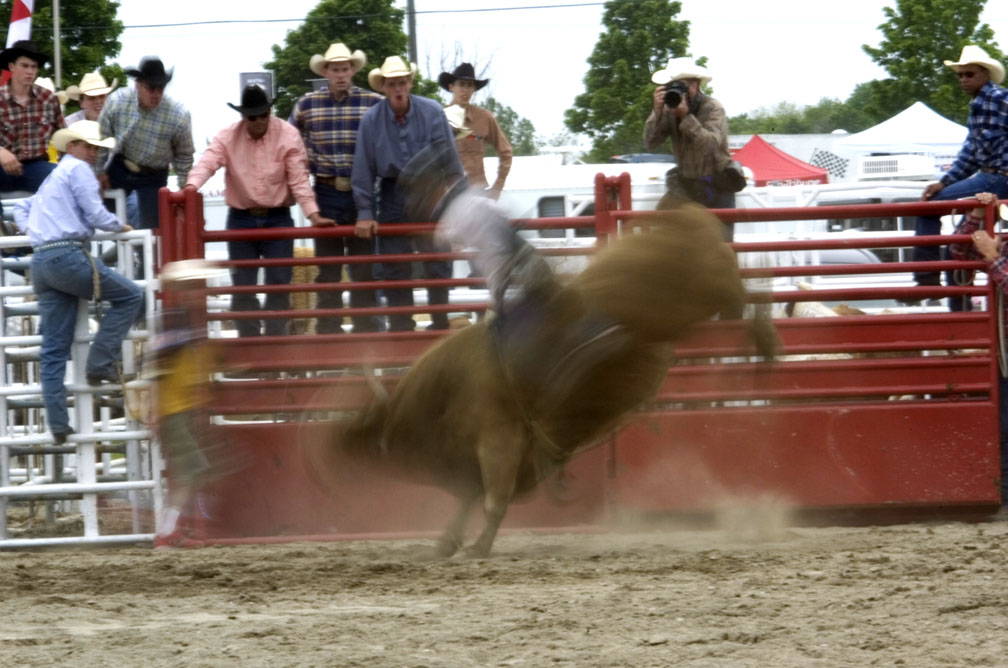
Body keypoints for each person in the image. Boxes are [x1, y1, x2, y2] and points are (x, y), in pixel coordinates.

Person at [12, 121, 144, 445]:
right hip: (68, 256)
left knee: (54, 348)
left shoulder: (53, 178)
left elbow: (21, 207)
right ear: (72, 146)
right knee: (131, 296)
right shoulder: (79, 171)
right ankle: (100, 364)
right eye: (88, 146)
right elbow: (97, 215)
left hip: (42, 260)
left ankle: (58, 423)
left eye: (95, 147)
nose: (93, 152)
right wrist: (120, 226)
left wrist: (30, 231)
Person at [186, 85, 332, 337]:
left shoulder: (288, 135)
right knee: (243, 286)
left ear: (270, 111)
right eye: (252, 116)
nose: (258, 120)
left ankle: (274, 343)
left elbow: (299, 178)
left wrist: (313, 214)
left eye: (263, 114)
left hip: (277, 217)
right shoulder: (227, 137)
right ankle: (250, 344)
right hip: (242, 218)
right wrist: (190, 187)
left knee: (279, 283)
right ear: (243, 117)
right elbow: (207, 163)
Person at [352, 55, 465, 332]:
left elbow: (451, 161)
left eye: (402, 82)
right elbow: (363, 168)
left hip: (431, 190)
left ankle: (439, 324)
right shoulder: (371, 120)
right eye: (392, 84)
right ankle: (401, 327)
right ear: (384, 88)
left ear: (410, 83)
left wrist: (458, 205)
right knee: (394, 265)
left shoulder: (433, 111)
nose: (398, 89)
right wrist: (365, 212)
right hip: (392, 192)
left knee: (437, 261)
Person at [292, 42, 382, 334]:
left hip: (362, 192)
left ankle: (364, 328)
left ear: (353, 70)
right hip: (326, 189)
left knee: (363, 268)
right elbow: (291, 143)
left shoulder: (372, 102)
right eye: (335, 69)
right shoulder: (306, 104)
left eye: (345, 69)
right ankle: (329, 329)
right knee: (328, 268)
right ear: (326, 72)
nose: (341, 74)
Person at [909, 45, 1008, 310]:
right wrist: (944, 182)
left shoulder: (999, 99)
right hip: (991, 178)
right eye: (960, 75)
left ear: (984, 74)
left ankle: (928, 280)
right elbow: (971, 155)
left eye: (969, 74)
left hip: (997, 179)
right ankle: (959, 312)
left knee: (929, 206)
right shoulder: (980, 104)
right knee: (956, 248)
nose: (963, 79)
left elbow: (973, 157)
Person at [151, 259, 237, 548]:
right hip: (175, 409)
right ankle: (167, 531)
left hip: (181, 407)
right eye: (193, 287)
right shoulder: (176, 320)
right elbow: (160, 369)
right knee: (193, 471)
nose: (199, 293)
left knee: (193, 470)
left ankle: (171, 528)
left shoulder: (183, 320)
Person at [947, 191, 1008, 514]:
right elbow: (958, 250)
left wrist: (991, 257)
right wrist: (976, 214)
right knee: (1002, 422)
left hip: (1003, 348)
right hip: (1004, 351)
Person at [97, 56, 194, 230]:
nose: (156, 93)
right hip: (120, 168)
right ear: (138, 84)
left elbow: (184, 157)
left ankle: (139, 253)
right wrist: (98, 172)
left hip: (153, 176)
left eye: (161, 88)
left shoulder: (178, 115)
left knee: (150, 230)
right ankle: (120, 249)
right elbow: (102, 137)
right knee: (95, 210)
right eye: (151, 88)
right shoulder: (117, 101)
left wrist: (183, 191)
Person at [643, 57, 736, 238]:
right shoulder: (669, 111)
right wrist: (657, 112)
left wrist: (685, 118)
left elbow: (711, 145)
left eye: (679, 86)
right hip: (687, 187)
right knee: (667, 239)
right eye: (670, 86)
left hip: (717, 186)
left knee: (721, 247)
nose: (674, 91)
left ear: (694, 86)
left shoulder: (713, 108)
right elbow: (650, 143)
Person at [437, 62, 512, 199]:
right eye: (461, 84)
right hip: (446, 194)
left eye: (470, 85)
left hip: (476, 192)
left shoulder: (485, 118)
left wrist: (497, 187)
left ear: (474, 89)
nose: (465, 90)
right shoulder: (438, 119)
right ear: (451, 87)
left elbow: (506, 151)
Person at [0, 40, 65, 195]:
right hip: (1, 166)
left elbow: (62, 135)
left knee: (62, 179)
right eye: (25, 65)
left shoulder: (48, 98)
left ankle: (55, 219)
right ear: (11, 67)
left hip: (36, 166)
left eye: (33, 66)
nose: (30, 71)